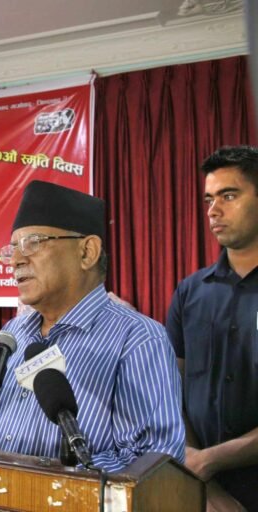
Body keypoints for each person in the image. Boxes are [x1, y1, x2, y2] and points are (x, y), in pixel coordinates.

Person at [0, 180, 184, 473]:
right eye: (11, 249)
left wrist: (41, 474)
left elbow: (153, 464)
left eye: (32, 243)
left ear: (87, 252)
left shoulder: (138, 339)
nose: (16, 260)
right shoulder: (11, 335)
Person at [166, 146, 258, 511]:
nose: (213, 210)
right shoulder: (190, 292)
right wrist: (203, 478)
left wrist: (210, 461)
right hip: (202, 492)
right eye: (209, 199)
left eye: (229, 196)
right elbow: (171, 389)